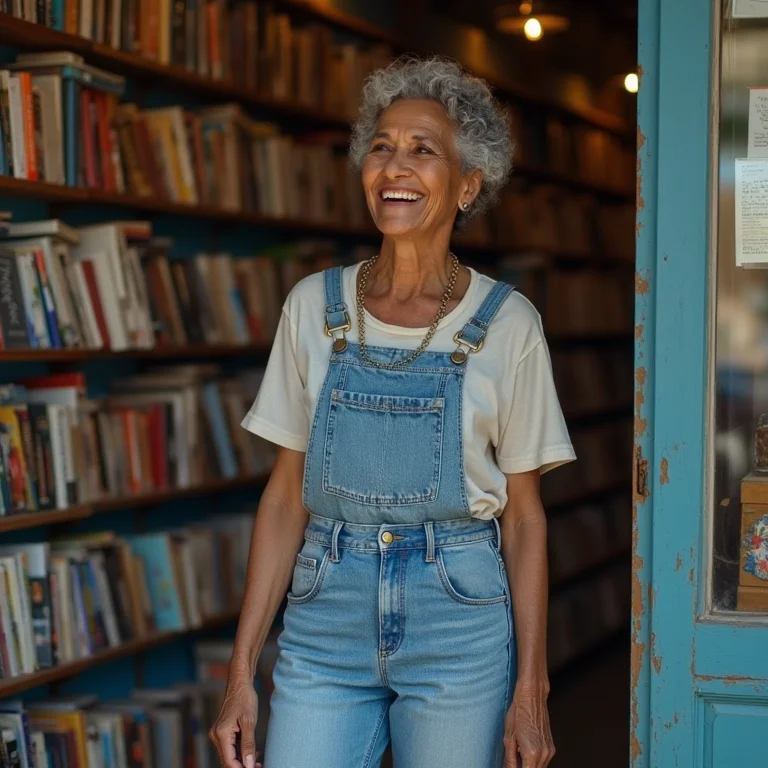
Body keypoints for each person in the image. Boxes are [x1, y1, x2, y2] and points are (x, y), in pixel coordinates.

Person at [209, 55, 576, 768]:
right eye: (381, 146)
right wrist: (239, 674)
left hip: (457, 615)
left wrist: (531, 689)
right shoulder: (313, 307)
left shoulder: (508, 324)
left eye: (422, 149)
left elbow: (525, 517)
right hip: (326, 611)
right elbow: (284, 498)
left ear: (468, 184)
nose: (394, 166)